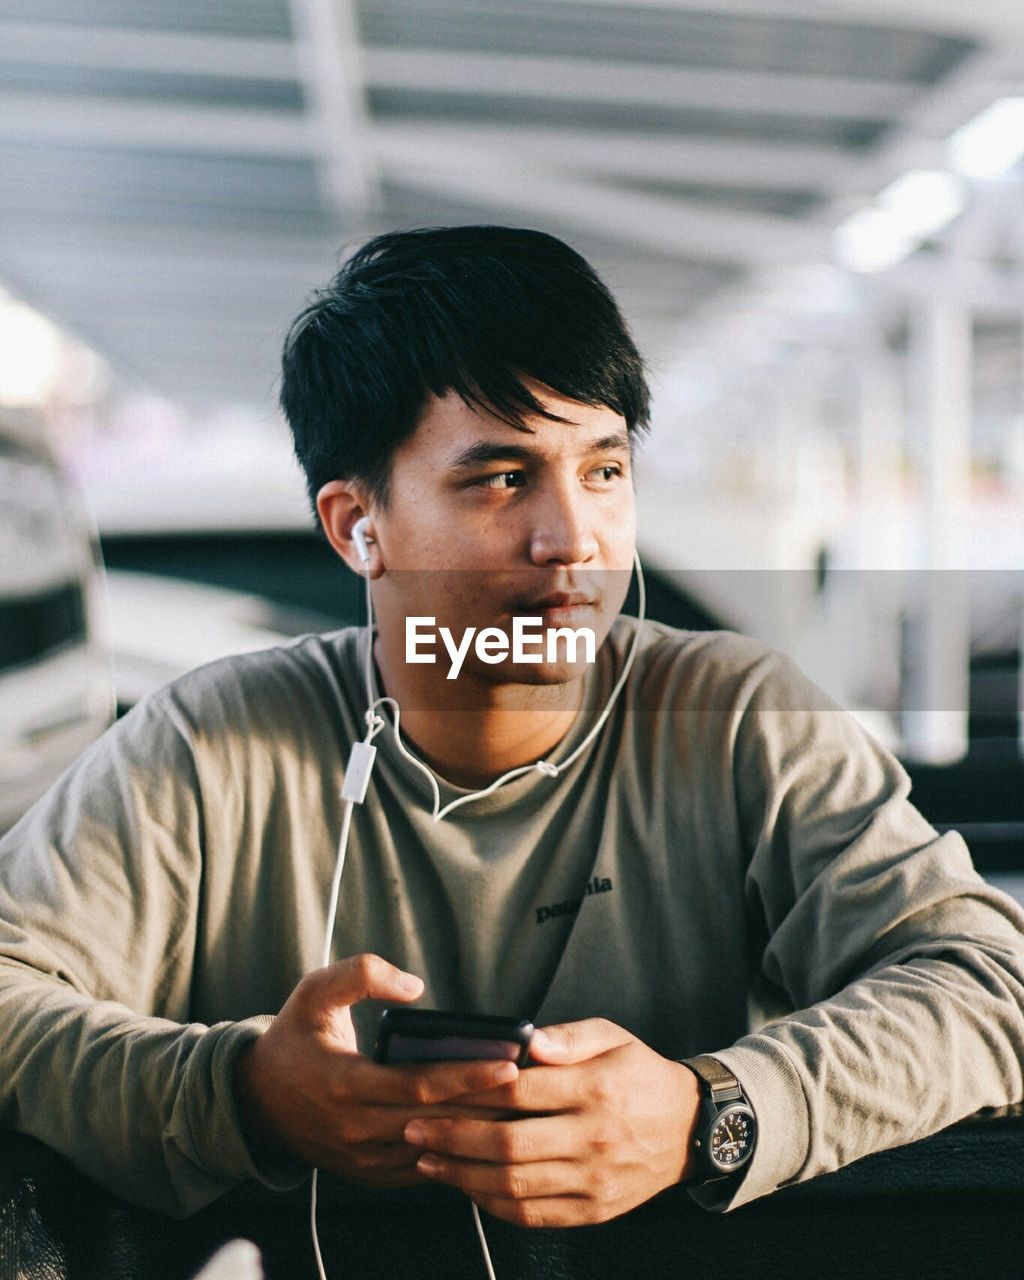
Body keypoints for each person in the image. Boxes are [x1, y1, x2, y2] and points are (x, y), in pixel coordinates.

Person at [0, 226, 1022, 1231]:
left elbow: (987, 987)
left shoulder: (737, 718)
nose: (572, 537)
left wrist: (707, 1111)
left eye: (604, 471)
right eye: (501, 478)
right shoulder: (209, 744)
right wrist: (239, 1090)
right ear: (358, 525)